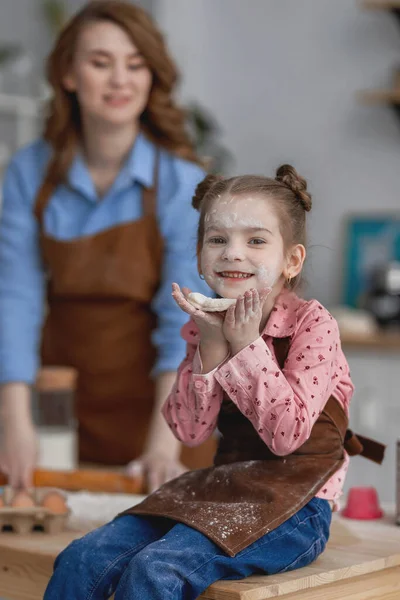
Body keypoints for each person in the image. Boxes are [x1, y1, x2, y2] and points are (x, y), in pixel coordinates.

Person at [43, 165, 384, 600]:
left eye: (256, 240)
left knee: (157, 569)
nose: (232, 253)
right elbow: (189, 432)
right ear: (201, 254)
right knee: (83, 557)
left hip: (299, 509)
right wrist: (210, 347)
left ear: (292, 260)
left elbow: (288, 437)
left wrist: (244, 348)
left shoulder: (313, 325)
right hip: (223, 486)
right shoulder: (203, 326)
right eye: (217, 239)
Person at [0, 0, 215, 493]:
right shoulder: (30, 173)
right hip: (55, 422)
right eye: (101, 62)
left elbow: (183, 323)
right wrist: (15, 423)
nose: (120, 80)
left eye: (135, 64)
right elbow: (15, 301)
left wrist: (165, 446)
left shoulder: (183, 183)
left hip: (162, 418)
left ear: (152, 76)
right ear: (69, 75)